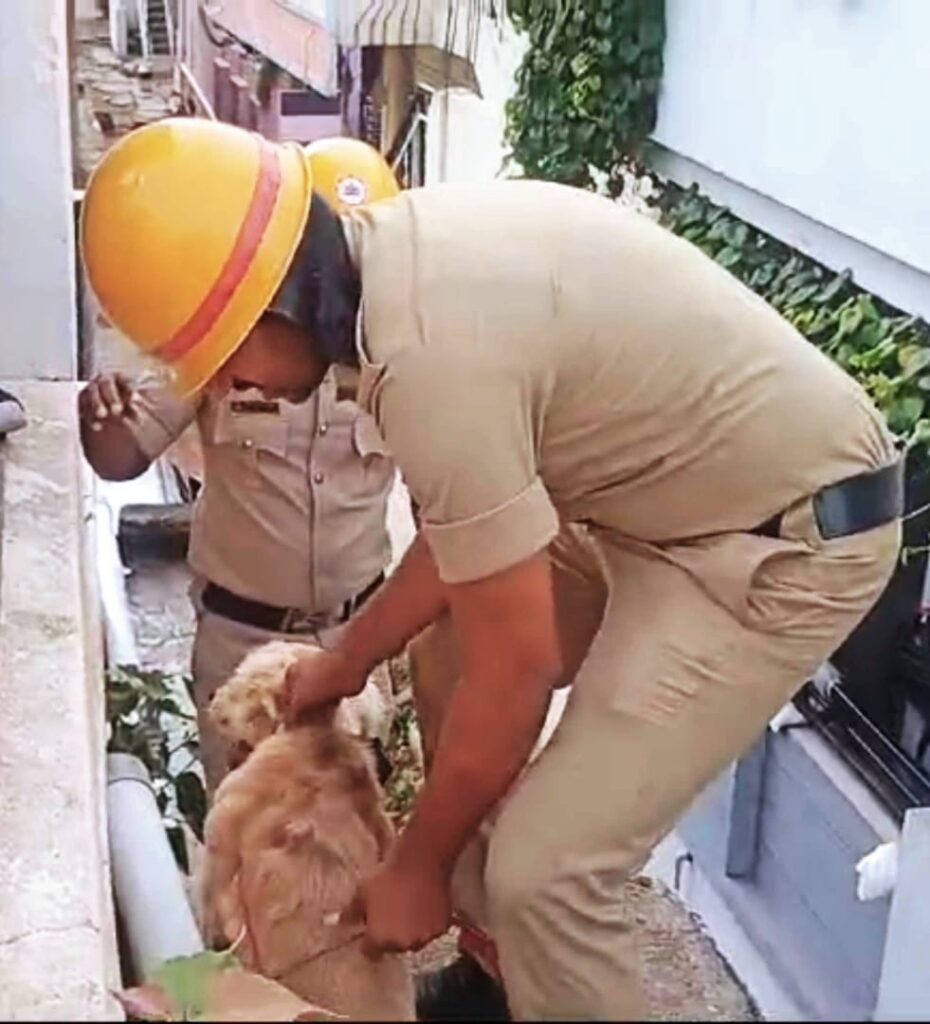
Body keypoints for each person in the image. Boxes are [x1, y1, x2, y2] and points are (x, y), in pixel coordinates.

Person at [79, 118, 903, 1021]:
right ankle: (499, 966)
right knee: (447, 658)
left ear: (274, 311)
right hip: (645, 500)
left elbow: (520, 668)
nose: (250, 387)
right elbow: (469, 533)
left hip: (771, 542)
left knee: (546, 873)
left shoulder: (425, 356)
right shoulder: (398, 267)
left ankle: (522, 923)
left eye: (232, 360)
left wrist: (417, 866)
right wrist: (347, 661)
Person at [79, 137, 399, 794]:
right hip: (242, 646)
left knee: (352, 839)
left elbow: (443, 509)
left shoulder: (396, 355)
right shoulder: (230, 337)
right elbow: (123, 457)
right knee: (248, 833)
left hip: (359, 639)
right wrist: (99, 425)